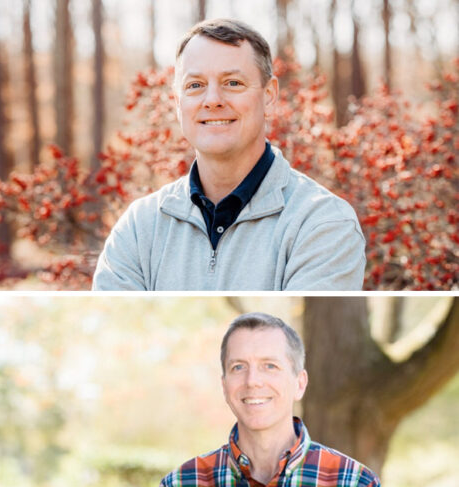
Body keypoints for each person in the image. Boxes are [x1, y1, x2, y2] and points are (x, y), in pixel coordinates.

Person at [92, 19, 365, 291]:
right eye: (195, 85)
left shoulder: (322, 223)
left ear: (269, 96)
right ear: (177, 103)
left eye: (232, 82)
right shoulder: (140, 227)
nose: (212, 99)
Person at [142, 312, 382, 487]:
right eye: (238, 367)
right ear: (224, 386)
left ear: (299, 383)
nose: (252, 381)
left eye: (270, 366)